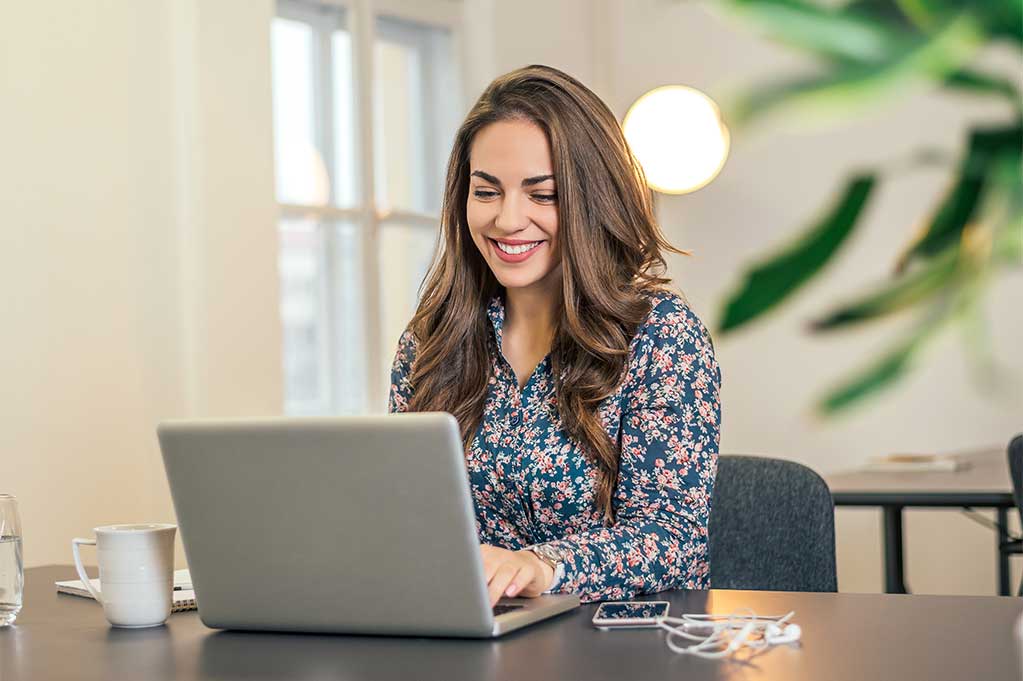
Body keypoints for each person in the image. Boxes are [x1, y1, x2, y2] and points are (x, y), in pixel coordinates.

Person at [388, 64, 721, 605]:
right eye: (486, 192)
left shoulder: (660, 336)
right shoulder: (430, 343)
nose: (507, 219)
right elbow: (410, 527)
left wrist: (540, 568)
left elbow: (674, 541)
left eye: (543, 195)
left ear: (593, 200)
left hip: (618, 649)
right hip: (470, 643)